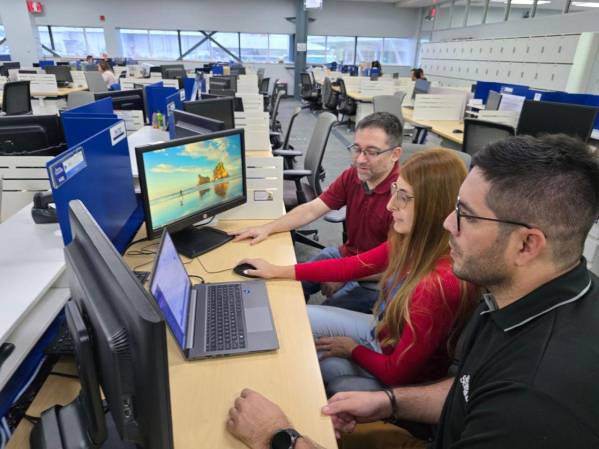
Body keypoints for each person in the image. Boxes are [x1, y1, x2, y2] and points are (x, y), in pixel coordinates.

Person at [227, 134, 599, 449]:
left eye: (466, 215)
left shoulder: (532, 403)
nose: (446, 223)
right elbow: (467, 389)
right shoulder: (516, 295)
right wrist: (388, 403)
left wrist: (279, 438)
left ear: (526, 245)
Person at [239, 149, 477, 395]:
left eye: (403, 197)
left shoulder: (436, 284)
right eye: (395, 190)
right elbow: (352, 265)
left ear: (433, 207)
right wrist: (276, 270)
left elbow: (398, 372)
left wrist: (353, 349)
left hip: (400, 374)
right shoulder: (414, 240)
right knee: (290, 317)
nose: (390, 204)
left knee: (318, 361)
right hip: (382, 330)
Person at [231, 112, 403, 313]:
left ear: (395, 154)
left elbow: (396, 265)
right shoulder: (353, 176)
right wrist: (267, 228)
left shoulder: (404, 196)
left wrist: (344, 275)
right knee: (282, 285)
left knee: (319, 321)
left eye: (372, 152)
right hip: (346, 257)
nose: (360, 159)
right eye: (357, 149)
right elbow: (313, 208)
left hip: (380, 278)